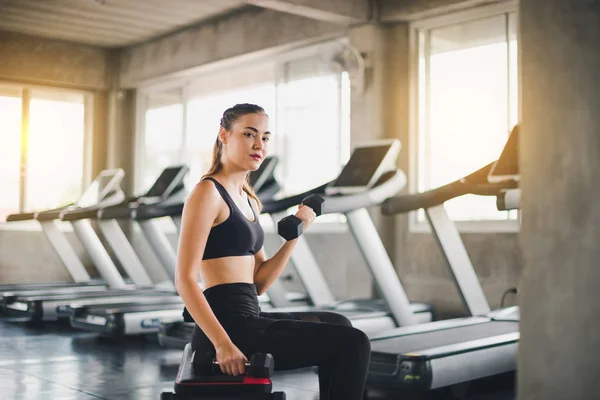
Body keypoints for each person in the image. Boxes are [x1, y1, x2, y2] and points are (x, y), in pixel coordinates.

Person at [175, 103, 371, 400]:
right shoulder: (207, 193)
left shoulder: (250, 200)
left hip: (250, 313)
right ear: (224, 136)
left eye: (265, 137)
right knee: (353, 343)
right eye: (249, 134)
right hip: (227, 326)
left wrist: (295, 233)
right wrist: (223, 344)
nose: (259, 145)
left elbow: (260, 283)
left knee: (338, 323)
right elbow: (185, 279)